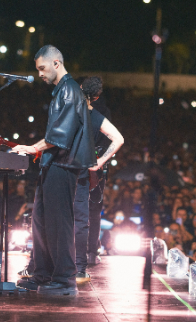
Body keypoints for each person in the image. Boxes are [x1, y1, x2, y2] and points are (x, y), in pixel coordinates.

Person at [11, 45, 95, 296]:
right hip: (54, 163)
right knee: (41, 220)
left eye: (42, 68)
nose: (39, 74)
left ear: (56, 63)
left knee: (59, 223)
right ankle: (43, 274)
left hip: (63, 165)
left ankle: (64, 279)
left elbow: (60, 136)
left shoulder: (69, 90)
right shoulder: (62, 91)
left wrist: (32, 147)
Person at [73, 75, 125, 283]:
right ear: (97, 94)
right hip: (96, 164)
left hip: (75, 164)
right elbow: (115, 139)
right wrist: (101, 160)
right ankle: (91, 252)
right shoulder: (103, 111)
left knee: (75, 211)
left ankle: (70, 254)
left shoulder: (74, 109)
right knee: (93, 210)